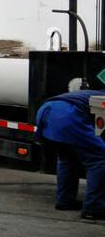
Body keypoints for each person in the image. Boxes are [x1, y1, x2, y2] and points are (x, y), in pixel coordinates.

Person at [35, 89, 105, 221]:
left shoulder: (91, 94)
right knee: (99, 159)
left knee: (67, 158)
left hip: (46, 111)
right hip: (67, 115)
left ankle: (64, 201)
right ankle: (94, 208)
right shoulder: (101, 98)